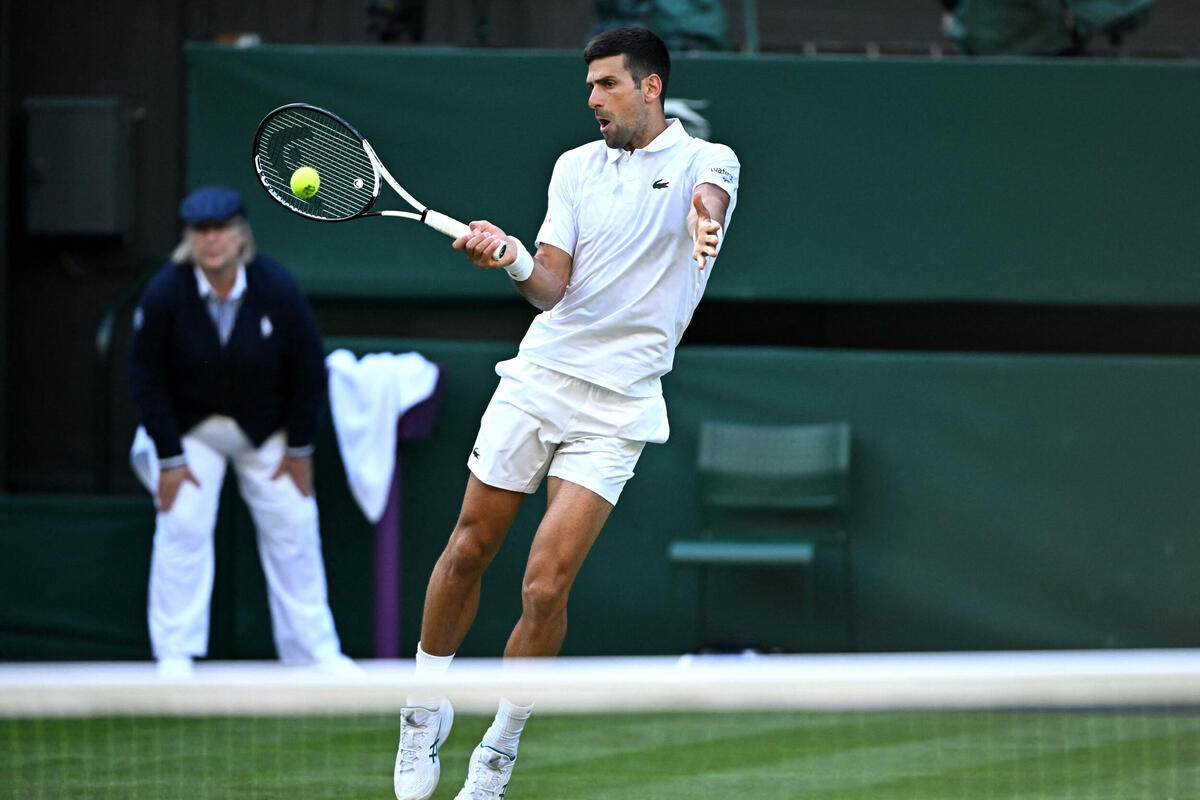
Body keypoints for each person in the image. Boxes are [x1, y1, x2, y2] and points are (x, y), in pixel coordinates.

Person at [392, 26, 739, 800]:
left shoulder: (708, 161)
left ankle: (499, 750)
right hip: (541, 380)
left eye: (607, 84)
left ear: (650, 87)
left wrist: (703, 219)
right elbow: (550, 285)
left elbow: (707, 200)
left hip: (619, 405)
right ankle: (422, 709)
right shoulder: (573, 168)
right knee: (469, 547)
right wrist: (511, 255)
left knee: (546, 588)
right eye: (589, 87)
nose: (593, 99)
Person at [128, 185, 355, 679]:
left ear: (241, 235)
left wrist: (299, 448)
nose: (212, 240)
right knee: (182, 523)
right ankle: (174, 656)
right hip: (190, 432)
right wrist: (169, 457)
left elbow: (308, 371)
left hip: (266, 430)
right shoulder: (166, 291)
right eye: (201, 230)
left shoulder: (276, 285)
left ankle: (314, 653)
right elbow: (145, 378)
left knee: (294, 524)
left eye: (222, 229)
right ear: (190, 239)